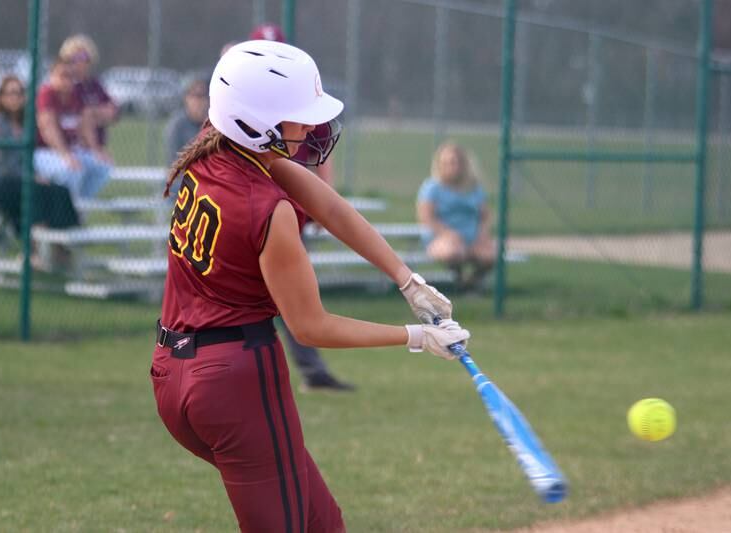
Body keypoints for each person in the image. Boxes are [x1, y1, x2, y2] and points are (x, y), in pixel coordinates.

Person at [151, 40, 469, 532]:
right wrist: (414, 336)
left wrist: (407, 279)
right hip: (236, 384)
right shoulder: (267, 209)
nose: (310, 127)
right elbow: (311, 326)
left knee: (324, 524)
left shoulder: (218, 146)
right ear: (255, 121)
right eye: (297, 116)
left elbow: (329, 205)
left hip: (174, 373)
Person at [246, 23, 355, 392]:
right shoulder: (242, 107)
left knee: (293, 301)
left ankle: (310, 371)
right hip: (252, 216)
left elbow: (320, 157)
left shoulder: (301, 101)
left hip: (289, 215)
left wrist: (326, 196)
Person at [0, 75, 79, 266]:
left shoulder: (25, 126)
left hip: (16, 181)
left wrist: (35, 176)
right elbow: (1, 166)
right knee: (33, 192)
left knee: (59, 190)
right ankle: (32, 252)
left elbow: (26, 162)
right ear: (1, 97)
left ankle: (61, 246)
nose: (16, 97)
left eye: (20, 93)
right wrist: (31, 177)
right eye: (11, 93)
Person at [417, 142, 496, 291]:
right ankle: (458, 282)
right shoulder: (432, 187)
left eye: (456, 162)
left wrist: (482, 233)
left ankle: (471, 284)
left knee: (489, 255)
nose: (453, 167)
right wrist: (447, 233)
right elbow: (426, 217)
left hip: (472, 238)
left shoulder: (473, 187)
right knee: (454, 252)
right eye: (447, 163)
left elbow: (485, 216)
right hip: (441, 237)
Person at [34, 58, 111, 202]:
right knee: (71, 169)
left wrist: (96, 150)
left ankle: (80, 206)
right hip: (44, 152)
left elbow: (85, 124)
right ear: (52, 76)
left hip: (70, 151)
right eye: (62, 75)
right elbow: (48, 128)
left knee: (103, 167)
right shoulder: (47, 93)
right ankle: (65, 211)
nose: (67, 80)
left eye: (70, 76)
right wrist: (65, 155)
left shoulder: (75, 95)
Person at [59, 34, 119, 150]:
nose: (80, 62)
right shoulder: (68, 86)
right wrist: (97, 114)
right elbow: (79, 116)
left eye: (84, 57)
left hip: (98, 145)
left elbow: (113, 111)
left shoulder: (94, 85)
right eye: (75, 58)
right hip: (76, 146)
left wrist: (93, 114)